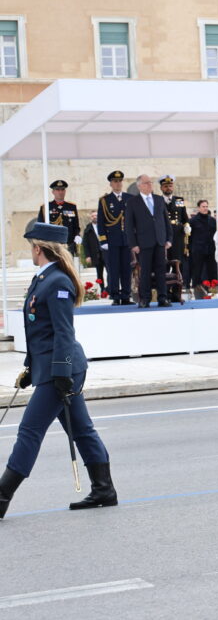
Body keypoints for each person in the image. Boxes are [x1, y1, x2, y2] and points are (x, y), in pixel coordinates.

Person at [0, 222, 116, 519]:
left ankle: (2, 496)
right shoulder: (43, 279)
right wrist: (29, 367)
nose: (31, 251)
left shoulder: (58, 282)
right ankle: (104, 489)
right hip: (53, 366)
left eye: (31, 247)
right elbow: (41, 332)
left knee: (29, 431)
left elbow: (64, 333)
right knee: (81, 428)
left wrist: (61, 372)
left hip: (62, 369)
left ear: (38, 249)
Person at [125, 174, 172, 308]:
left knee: (161, 271)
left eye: (150, 182)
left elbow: (165, 221)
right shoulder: (133, 202)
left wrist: (169, 239)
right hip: (143, 243)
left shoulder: (158, 199)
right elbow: (129, 225)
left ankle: (163, 298)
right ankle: (145, 299)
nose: (150, 185)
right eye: (147, 183)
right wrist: (133, 244)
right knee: (145, 272)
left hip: (160, 241)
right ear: (139, 186)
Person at [98, 170, 131, 305]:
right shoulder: (105, 200)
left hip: (127, 239)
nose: (118, 184)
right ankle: (115, 295)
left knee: (126, 269)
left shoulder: (130, 198)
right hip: (112, 240)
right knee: (113, 269)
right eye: (115, 181)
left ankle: (126, 295)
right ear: (111, 184)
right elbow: (101, 222)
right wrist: (103, 240)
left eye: (120, 181)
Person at [37, 179, 81, 257]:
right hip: (53, 245)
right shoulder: (46, 207)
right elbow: (40, 227)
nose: (60, 192)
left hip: (68, 244)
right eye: (57, 190)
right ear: (53, 192)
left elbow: (76, 225)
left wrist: (77, 235)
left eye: (62, 190)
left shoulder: (71, 206)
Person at [187, 200, 217, 292]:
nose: (205, 208)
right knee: (197, 271)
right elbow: (189, 236)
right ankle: (197, 290)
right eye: (203, 207)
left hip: (210, 249)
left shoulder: (212, 220)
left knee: (212, 270)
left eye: (206, 206)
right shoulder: (192, 221)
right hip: (198, 250)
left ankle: (212, 289)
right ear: (199, 208)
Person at [83, 211, 105, 287]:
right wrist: (88, 256)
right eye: (93, 216)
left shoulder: (104, 225)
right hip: (96, 254)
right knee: (99, 273)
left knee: (110, 272)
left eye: (96, 215)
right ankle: (102, 290)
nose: (95, 217)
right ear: (90, 218)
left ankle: (110, 289)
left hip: (106, 253)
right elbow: (85, 244)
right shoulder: (88, 229)